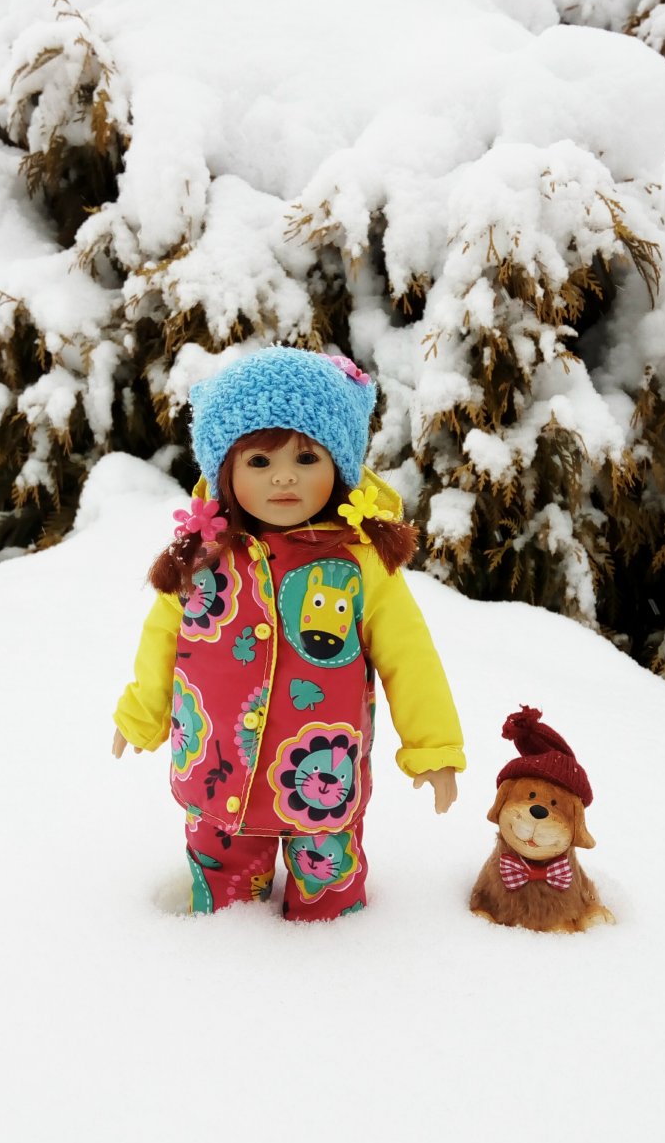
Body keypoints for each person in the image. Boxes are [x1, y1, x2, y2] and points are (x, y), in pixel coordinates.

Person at [113, 346, 465, 921]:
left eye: (306, 457)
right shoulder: (202, 557)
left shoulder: (357, 562)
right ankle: (218, 961)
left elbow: (410, 655)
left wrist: (433, 745)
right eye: (257, 462)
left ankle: (328, 968)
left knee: (327, 898)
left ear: (341, 466)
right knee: (222, 902)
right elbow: (162, 640)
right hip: (217, 770)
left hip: (322, 781)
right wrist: (141, 712)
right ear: (223, 470)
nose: (283, 477)